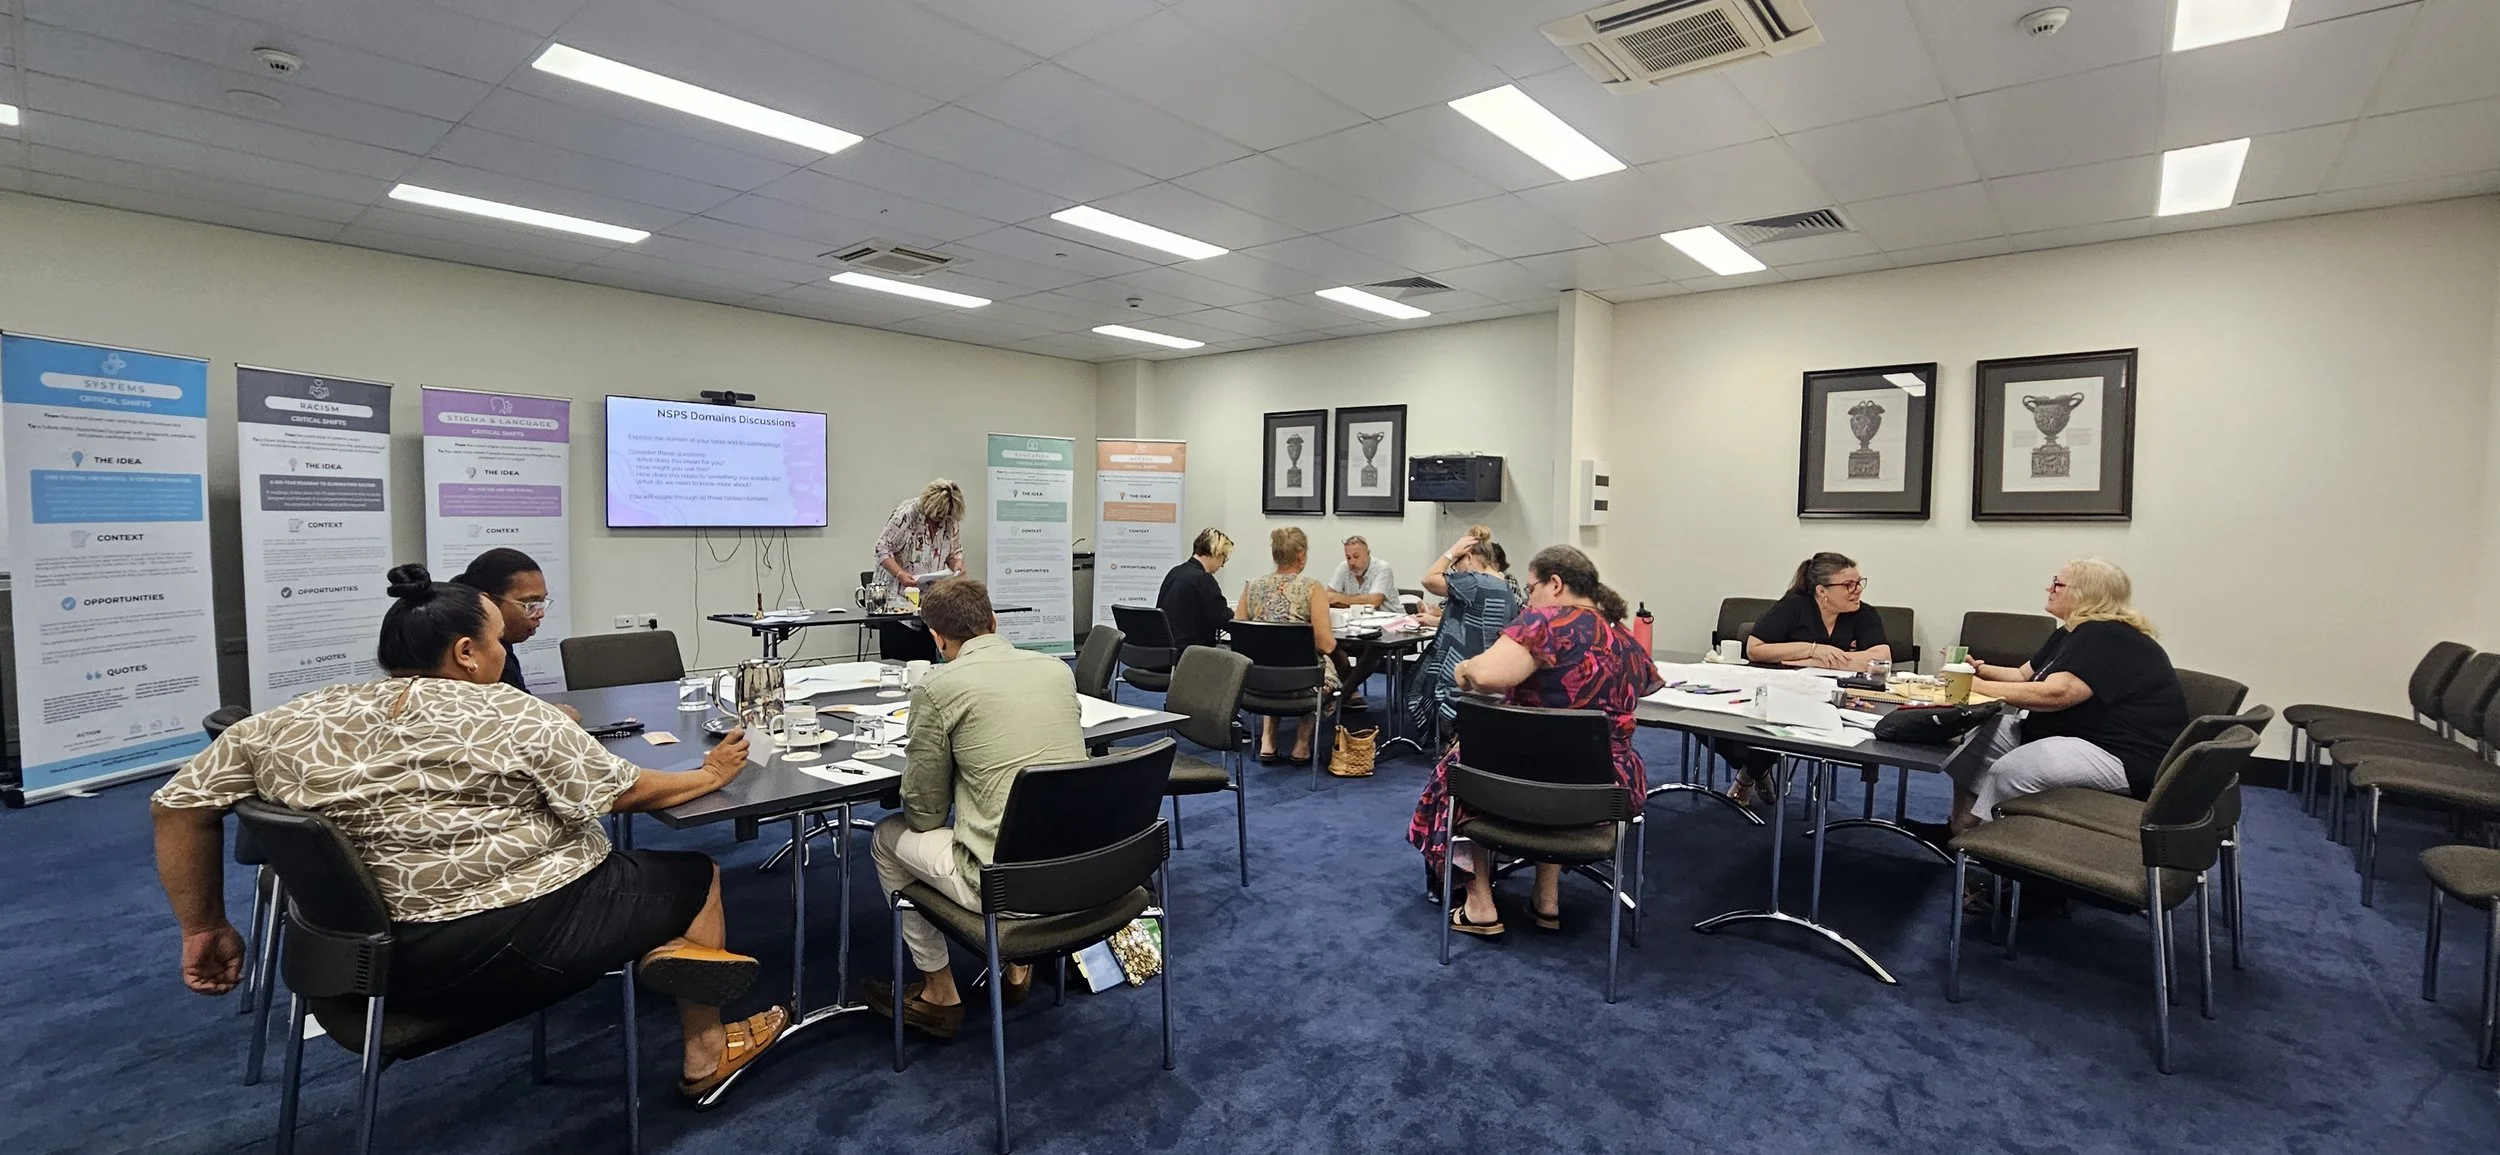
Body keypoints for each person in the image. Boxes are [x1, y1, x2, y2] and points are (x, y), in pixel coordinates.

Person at [150, 565, 784, 1098]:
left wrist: (202, 927)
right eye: (499, 640)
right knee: (695, 875)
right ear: (466, 653)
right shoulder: (512, 711)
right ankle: (705, 1049)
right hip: (504, 942)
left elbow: (176, 807)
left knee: (639, 887)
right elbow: (623, 792)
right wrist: (709, 773)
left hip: (347, 959)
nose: (505, 653)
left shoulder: (287, 721)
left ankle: (666, 951)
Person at [862, 578, 1088, 1038]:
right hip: (1086, 869)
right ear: (993, 622)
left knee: (886, 837)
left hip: (1006, 885)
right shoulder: (1056, 670)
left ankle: (939, 992)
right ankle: (1019, 965)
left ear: (937, 639)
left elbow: (924, 815)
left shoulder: (937, 686)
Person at [1408, 546, 1663, 935]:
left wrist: (1464, 667)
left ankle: (1479, 904)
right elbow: (1643, 686)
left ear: (1555, 584)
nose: (1528, 601)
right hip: (1606, 792)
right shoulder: (1624, 637)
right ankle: (1546, 900)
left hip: (1523, 787)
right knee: (1561, 751)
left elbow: (1487, 676)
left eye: (1530, 590)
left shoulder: (1544, 622)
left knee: (1458, 767)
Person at [1932, 558, 2189, 838]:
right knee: (1980, 739)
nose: (2049, 588)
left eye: (2058, 583)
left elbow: (2057, 693)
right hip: (2075, 736)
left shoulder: (2110, 635)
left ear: (2085, 593)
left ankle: (1988, 850)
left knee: (2011, 770)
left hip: (2120, 754)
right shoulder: (2072, 632)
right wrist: (1978, 670)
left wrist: (1976, 686)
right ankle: (1960, 832)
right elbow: (2023, 676)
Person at [1721, 552, 1892, 804]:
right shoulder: (1794, 606)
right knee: (1758, 725)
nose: (1857, 590)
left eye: (1859, 583)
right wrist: (1813, 649)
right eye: (1848, 585)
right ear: (1822, 591)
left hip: (1835, 696)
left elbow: (1881, 658)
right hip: (1782, 690)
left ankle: (1749, 775)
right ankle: (1753, 771)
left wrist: (1809, 659)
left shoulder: (1863, 613)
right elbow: (1756, 649)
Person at [1238, 527, 1339, 763]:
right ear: (1301, 555)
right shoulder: (1312, 588)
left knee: (1273, 661)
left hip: (1257, 683)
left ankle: (1268, 741)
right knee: (1323, 669)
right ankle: (1301, 745)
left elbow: (1239, 633)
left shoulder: (1252, 586)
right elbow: (1326, 645)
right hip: (1301, 685)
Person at [1408, 530, 1518, 743]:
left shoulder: (1475, 582)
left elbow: (1429, 579)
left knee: (1416, 683)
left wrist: (1451, 552)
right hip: (1491, 665)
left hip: (1464, 669)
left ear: (1467, 557)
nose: (1454, 571)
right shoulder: (1501, 584)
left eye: (1455, 565)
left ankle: (1442, 739)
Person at [453, 547, 579, 721]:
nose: (540, 613)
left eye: (542, 601)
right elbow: (511, 722)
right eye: (529, 603)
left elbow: (517, 704)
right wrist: (556, 718)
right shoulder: (473, 650)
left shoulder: (500, 640)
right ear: (487, 602)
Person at [872, 479, 968, 662]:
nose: (941, 521)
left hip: (929, 604)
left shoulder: (950, 519)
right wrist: (900, 574)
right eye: (937, 516)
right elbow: (881, 548)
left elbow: (954, 552)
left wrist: (957, 565)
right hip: (897, 602)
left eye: (945, 516)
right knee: (898, 663)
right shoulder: (907, 514)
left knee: (926, 663)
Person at [1326, 536, 1399, 709]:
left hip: (1389, 629)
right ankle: (1352, 693)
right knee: (1331, 644)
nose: (1351, 562)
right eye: (1348, 557)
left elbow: (1374, 600)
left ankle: (1342, 695)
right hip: (1355, 627)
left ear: (1368, 554)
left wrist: (1340, 598)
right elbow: (1328, 597)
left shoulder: (1382, 568)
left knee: (1373, 648)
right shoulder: (1343, 568)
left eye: (1356, 557)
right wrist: (1353, 600)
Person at [1155, 528, 1234, 653]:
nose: (1222, 565)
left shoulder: (1174, 572)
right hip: (1192, 654)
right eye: (1223, 559)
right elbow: (1223, 619)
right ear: (1216, 553)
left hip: (1164, 651)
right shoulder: (1204, 580)